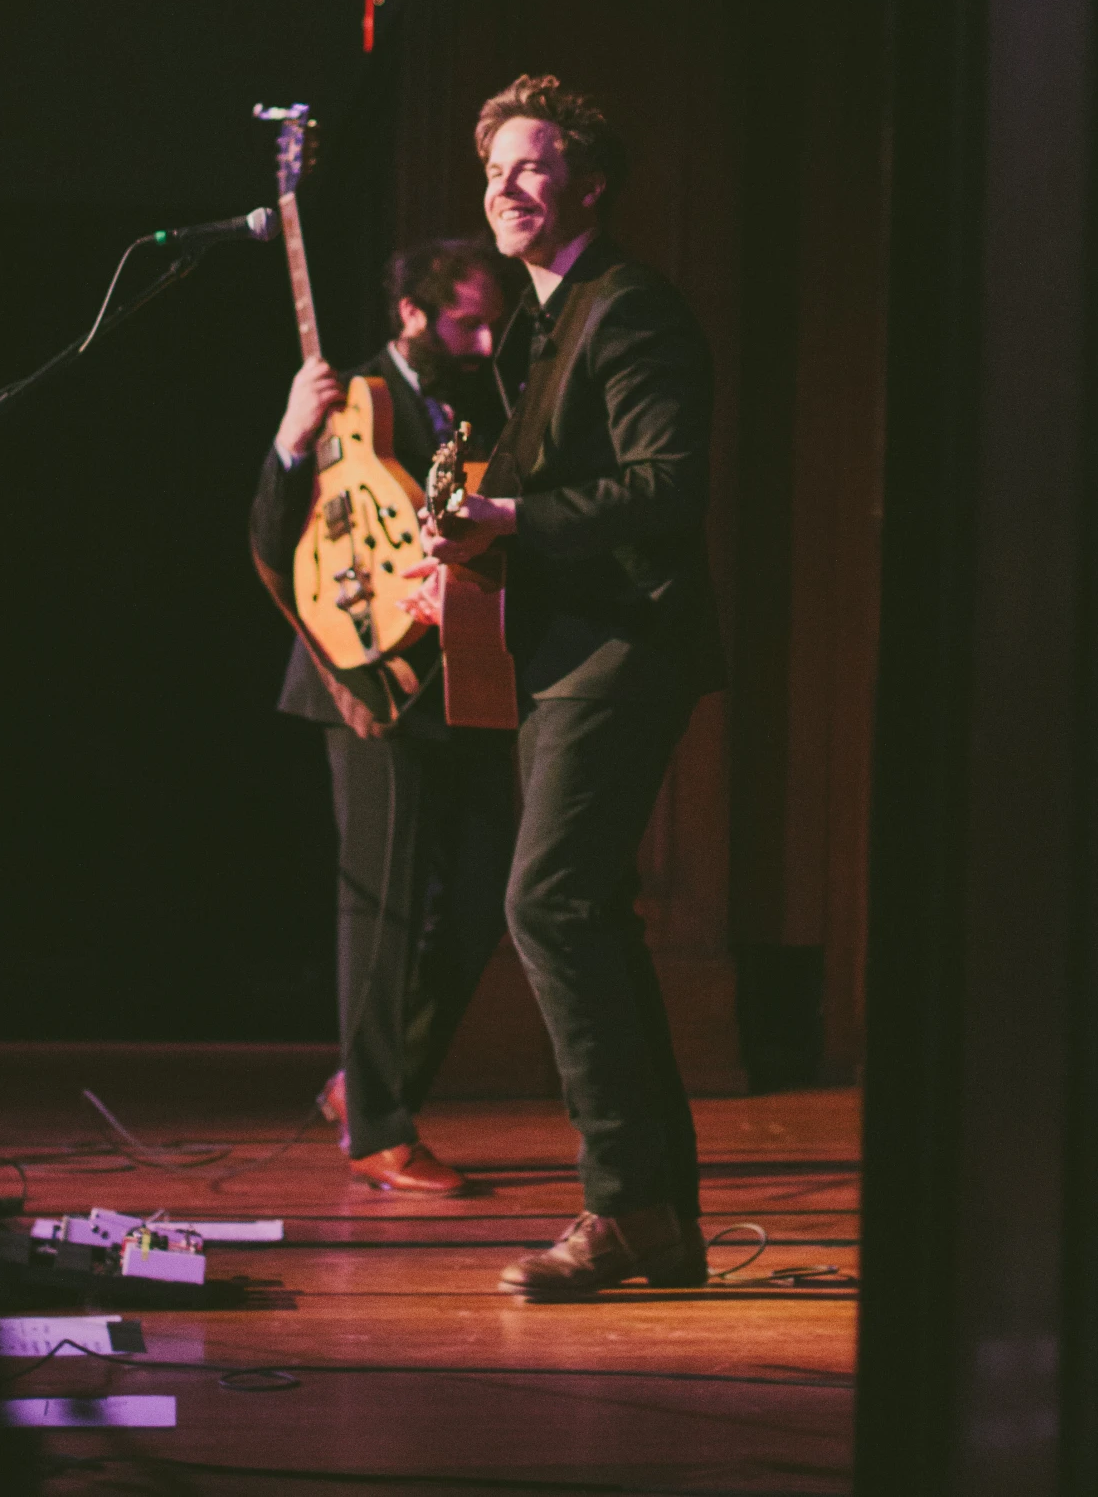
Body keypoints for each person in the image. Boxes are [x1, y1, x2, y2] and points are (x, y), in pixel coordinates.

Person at [406, 76, 724, 1296]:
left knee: (545, 906)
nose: (504, 187)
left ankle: (622, 1208)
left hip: (621, 648)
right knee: (583, 915)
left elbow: (666, 487)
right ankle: (660, 1219)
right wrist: (470, 556)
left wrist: (508, 514)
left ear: (587, 182)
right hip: (562, 649)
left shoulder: (629, 309)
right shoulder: (545, 316)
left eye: (531, 167)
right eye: (493, 169)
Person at [250, 241, 513, 1196]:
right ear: (410, 313)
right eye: (465, 323)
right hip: (358, 678)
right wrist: (288, 434)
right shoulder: (348, 398)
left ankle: (358, 1084)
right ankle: (379, 1127)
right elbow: (278, 535)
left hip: (462, 676)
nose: (484, 340)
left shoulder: (481, 398)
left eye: (492, 322)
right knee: (384, 900)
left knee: (487, 898)